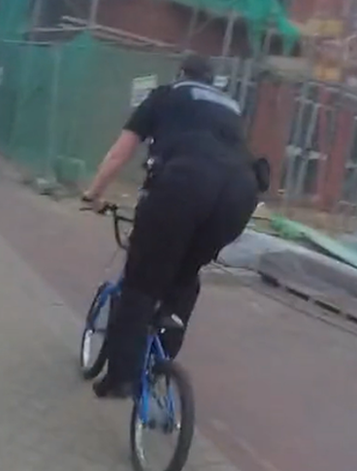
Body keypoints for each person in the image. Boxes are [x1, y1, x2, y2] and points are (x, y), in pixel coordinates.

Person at [82, 54, 265, 398]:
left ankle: (121, 377)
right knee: (184, 276)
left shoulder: (166, 96)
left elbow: (120, 154)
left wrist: (93, 194)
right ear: (211, 82)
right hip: (240, 196)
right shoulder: (231, 108)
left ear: (181, 74)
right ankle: (160, 361)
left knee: (141, 282)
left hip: (184, 187)